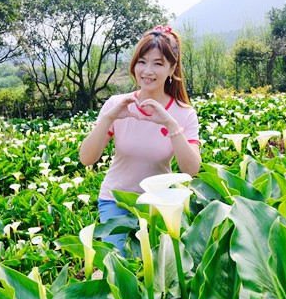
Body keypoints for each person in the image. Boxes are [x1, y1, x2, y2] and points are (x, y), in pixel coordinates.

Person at [79, 25, 201, 252]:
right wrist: (108, 119)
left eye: (158, 63)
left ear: (172, 68)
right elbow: (87, 159)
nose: (147, 71)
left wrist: (171, 125)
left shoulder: (183, 113)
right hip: (116, 202)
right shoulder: (117, 104)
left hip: (160, 203)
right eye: (142, 62)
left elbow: (191, 169)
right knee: (121, 264)